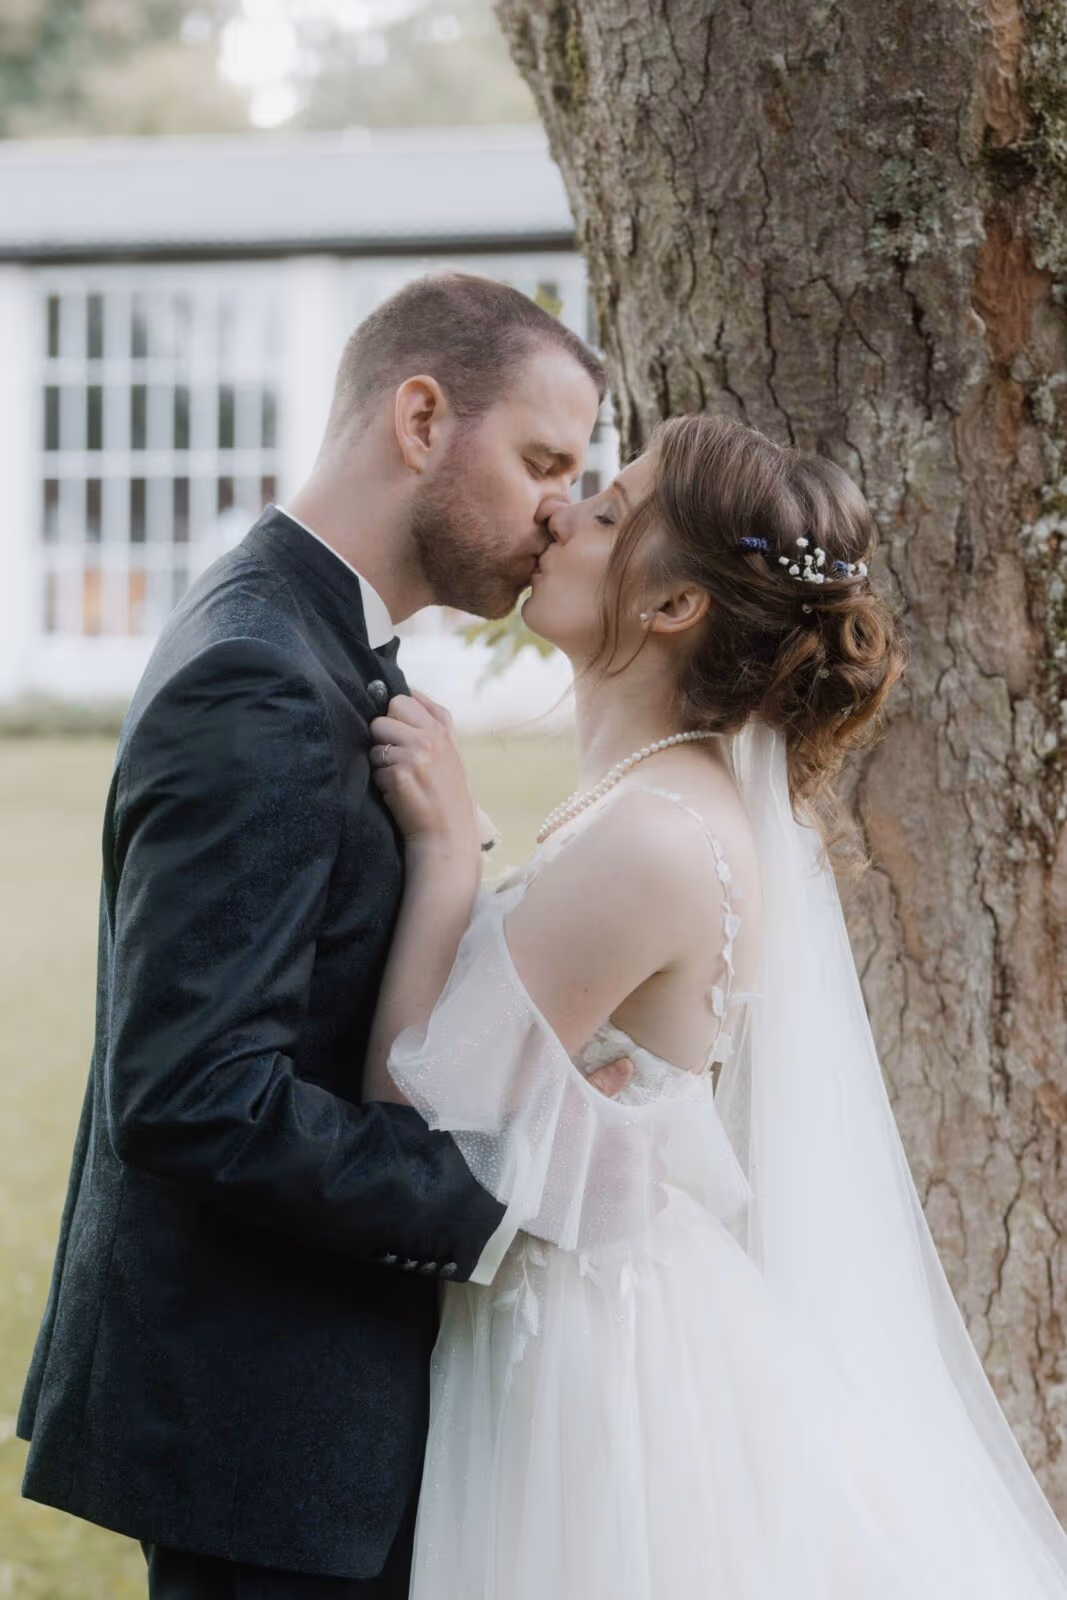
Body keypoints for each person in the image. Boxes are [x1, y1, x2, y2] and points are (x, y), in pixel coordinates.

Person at [364, 413, 1067, 1598]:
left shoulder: (646, 838)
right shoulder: (655, 801)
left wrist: (441, 858)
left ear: (672, 606)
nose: (556, 517)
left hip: (582, 1361)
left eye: (598, 512)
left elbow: (407, 1109)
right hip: (606, 1302)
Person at [16, 272, 630, 1599]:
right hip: (261, 1428)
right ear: (420, 418)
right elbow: (194, 1098)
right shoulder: (261, 673)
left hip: (291, 1411)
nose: (557, 513)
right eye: (540, 460)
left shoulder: (317, 639)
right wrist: (495, 1199)